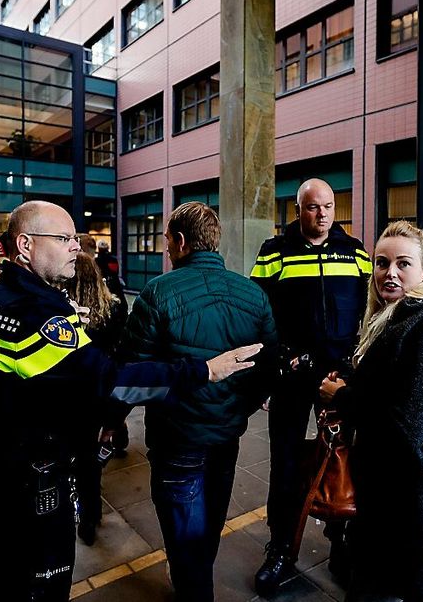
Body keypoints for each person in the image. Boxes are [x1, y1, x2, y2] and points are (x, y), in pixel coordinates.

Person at [0, 200, 261, 601]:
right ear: (26, 245)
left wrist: (66, 329)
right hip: (27, 482)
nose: (76, 248)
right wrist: (204, 371)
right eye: (64, 238)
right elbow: (113, 381)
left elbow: (30, 364)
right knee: (37, 589)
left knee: (10, 582)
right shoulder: (35, 315)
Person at [318, 221, 423, 602]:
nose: (389, 273)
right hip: (387, 492)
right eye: (381, 263)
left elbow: (407, 427)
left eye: (402, 264)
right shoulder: (396, 318)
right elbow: (389, 387)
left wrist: (342, 398)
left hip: (413, 499)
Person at [122, 202, 278, 601]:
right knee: (209, 523)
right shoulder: (253, 295)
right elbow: (267, 368)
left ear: (179, 240)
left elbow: (132, 375)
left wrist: (111, 418)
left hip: (177, 436)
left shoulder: (157, 293)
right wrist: (236, 408)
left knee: (183, 533)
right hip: (226, 434)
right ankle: (196, 580)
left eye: (168, 240)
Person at [249, 178, 371, 594]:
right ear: (298, 209)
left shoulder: (355, 251)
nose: (322, 215)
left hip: (340, 377)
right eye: (313, 207)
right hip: (292, 375)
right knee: (284, 463)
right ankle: (281, 549)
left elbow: (373, 309)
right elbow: (259, 315)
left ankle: (341, 546)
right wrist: (275, 365)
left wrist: (357, 359)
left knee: (341, 462)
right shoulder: (274, 251)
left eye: (329, 207)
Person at [62, 251, 128, 546]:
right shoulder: (112, 307)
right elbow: (122, 356)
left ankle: (77, 510)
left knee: (73, 457)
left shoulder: (62, 313)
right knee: (90, 458)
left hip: (69, 396)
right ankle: (90, 515)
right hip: (101, 393)